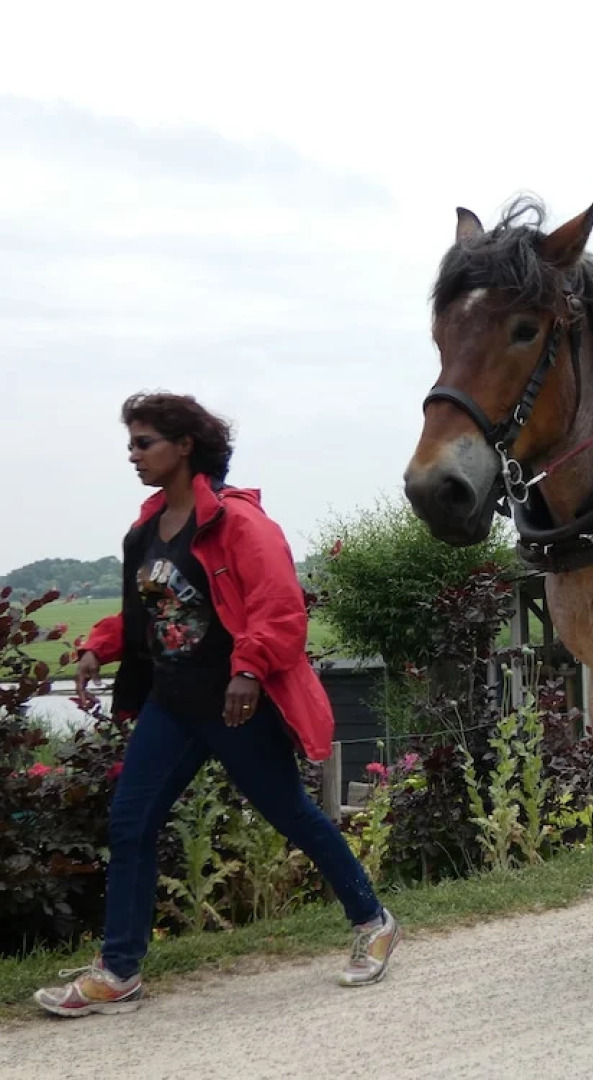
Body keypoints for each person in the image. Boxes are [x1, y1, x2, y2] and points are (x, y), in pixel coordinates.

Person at [34, 392, 400, 1018]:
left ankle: (373, 920)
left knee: (291, 814)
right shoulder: (145, 531)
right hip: (171, 705)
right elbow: (147, 615)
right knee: (131, 822)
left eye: (144, 442)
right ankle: (119, 971)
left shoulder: (240, 524)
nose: (133, 455)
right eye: (130, 443)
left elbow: (281, 609)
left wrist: (250, 671)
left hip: (235, 707)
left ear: (184, 446)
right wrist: (99, 648)